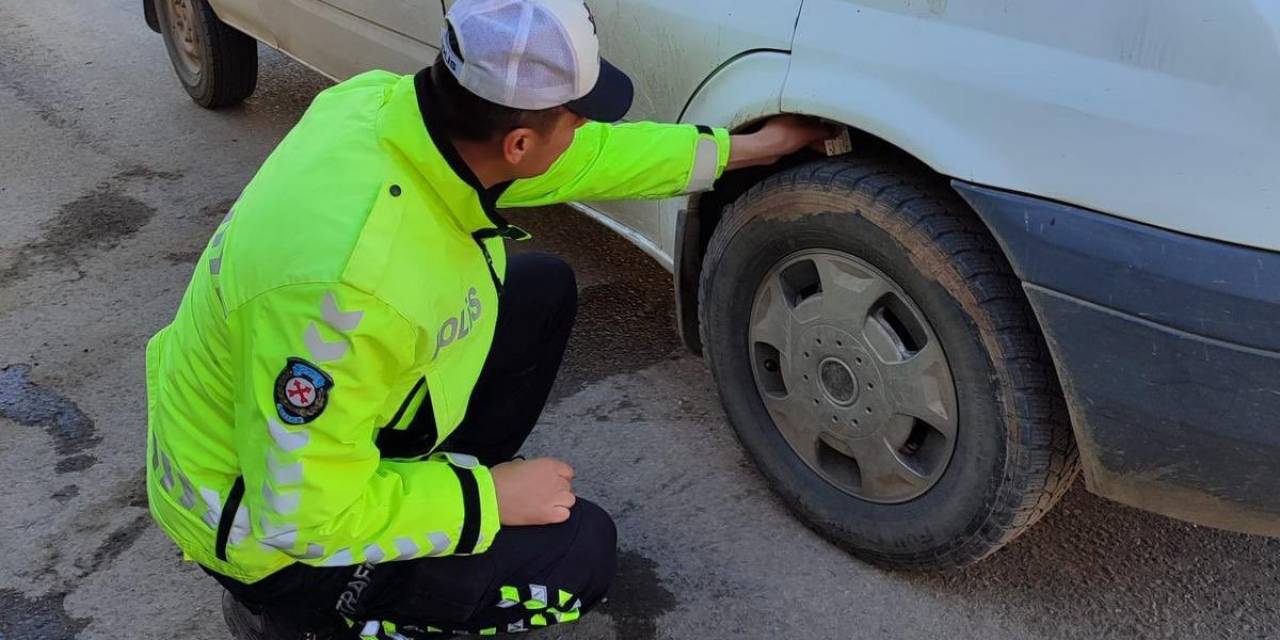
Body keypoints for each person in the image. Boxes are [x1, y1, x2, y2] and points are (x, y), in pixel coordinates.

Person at [143, 0, 833, 637]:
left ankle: (427, 497)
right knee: (581, 554)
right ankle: (310, 617)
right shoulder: (346, 298)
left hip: (300, 431)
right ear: (518, 146)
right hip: (267, 533)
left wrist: (743, 149)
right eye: (577, 114)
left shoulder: (384, 108)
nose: (588, 127)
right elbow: (301, 513)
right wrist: (485, 500)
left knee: (537, 288)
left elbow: (584, 158)